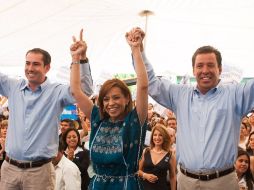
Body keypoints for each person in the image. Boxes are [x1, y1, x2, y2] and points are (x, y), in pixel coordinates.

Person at [129, 27, 254, 190]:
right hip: (186, 181)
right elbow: (151, 83)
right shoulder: (180, 95)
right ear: (193, 70)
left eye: (211, 65)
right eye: (200, 66)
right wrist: (138, 50)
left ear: (220, 69)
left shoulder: (236, 94)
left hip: (222, 182)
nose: (205, 71)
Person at [0, 30, 93, 189]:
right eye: (27, 63)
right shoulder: (13, 86)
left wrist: (81, 58)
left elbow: (84, 91)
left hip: (39, 172)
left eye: (35, 64)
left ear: (47, 67)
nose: (30, 68)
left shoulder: (56, 92)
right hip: (10, 169)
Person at [70, 28, 148, 190]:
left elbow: (143, 86)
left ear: (127, 99)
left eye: (116, 97)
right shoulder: (98, 118)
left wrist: (135, 49)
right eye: (106, 99)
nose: (110, 103)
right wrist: (76, 58)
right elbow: (76, 91)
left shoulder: (134, 121)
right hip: (97, 186)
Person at [138, 124, 176, 190]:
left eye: (160, 135)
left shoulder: (170, 155)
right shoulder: (146, 151)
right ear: (152, 137)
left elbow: (172, 176)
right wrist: (145, 175)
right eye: (155, 135)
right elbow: (137, 170)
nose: (157, 138)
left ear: (164, 137)